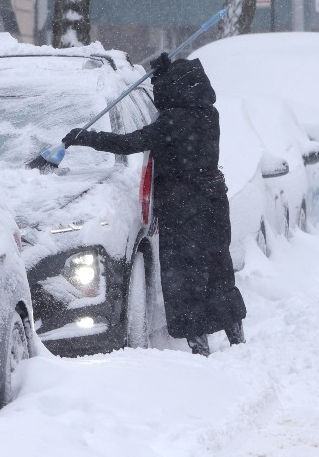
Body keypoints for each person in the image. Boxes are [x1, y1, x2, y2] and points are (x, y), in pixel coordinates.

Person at [63, 53, 246, 356]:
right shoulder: (207, 113)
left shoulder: (172, 122)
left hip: (183, 208)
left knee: (184, 278)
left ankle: (198, 344)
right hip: (213, 202)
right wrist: (163, 74)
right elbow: (171, 96)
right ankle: (236, 334)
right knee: (217, 269)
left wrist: (86, 138)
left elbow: (130, 142)